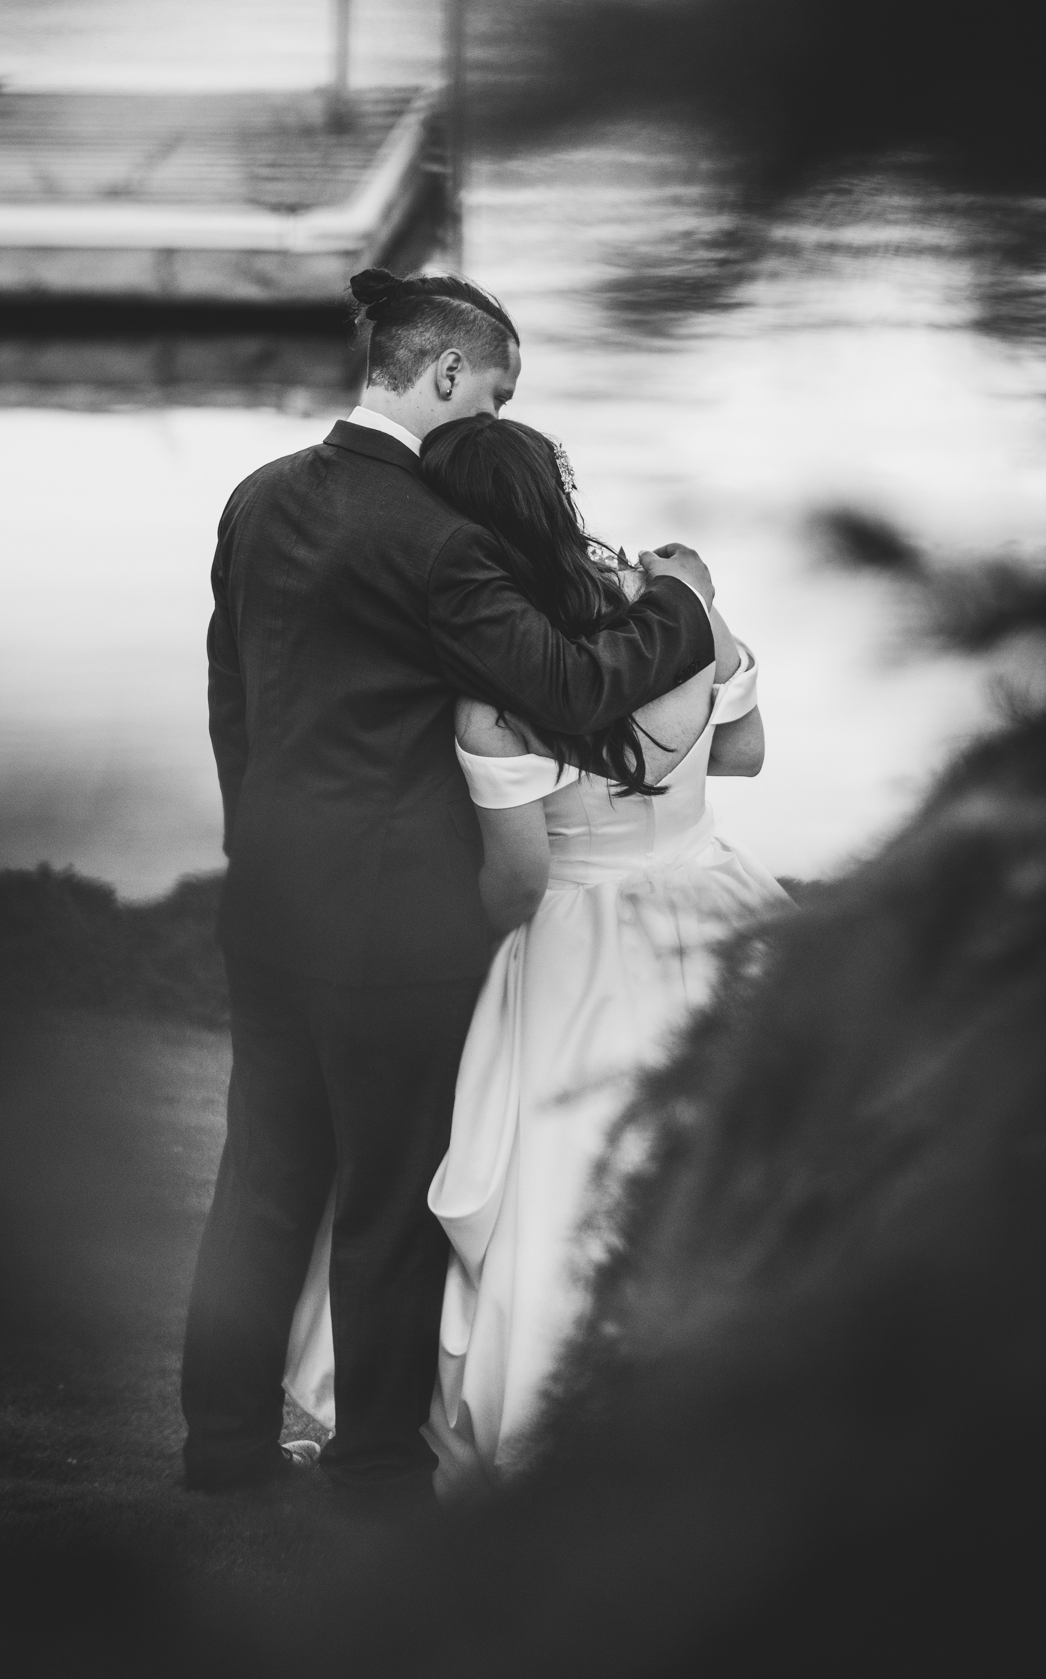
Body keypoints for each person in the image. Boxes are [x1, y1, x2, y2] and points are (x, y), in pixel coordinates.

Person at [181, 268, 717, 1510]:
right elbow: (574, 689)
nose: (497, 411)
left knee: (262, 1175)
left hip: (268, 893)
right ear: (439, 376)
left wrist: (251, 835)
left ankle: (221, 1448)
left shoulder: (257, 498)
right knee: (390, 1188)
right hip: (394, 924)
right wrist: (688, 607)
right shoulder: (441, 540)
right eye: (495, 388)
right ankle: (373, 1460)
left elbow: (230, 694)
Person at [283, 414, 791, 1493]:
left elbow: (514, 878)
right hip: (712, 898)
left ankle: (574, 1403)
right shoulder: (678, 601)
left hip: (573, 929)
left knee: (556, 1178)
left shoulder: (495, 690)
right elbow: (741, 750)